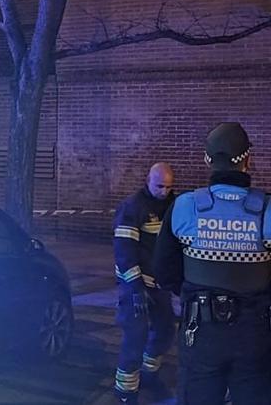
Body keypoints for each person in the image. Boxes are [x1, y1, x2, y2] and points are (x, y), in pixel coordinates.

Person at [153, 123, 271, 405]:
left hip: (200, 333)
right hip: (255, 334)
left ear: (207, 160)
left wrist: (193, 293)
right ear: (248, 159)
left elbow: (163, 270)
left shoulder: (184, 207)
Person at [112, 163, 177, 403]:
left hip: (159, 284)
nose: (164, 191)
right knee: (135, 337)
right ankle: (125, 393)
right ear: (148, 180)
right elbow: (124, 250)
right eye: (159, 186)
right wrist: (135, 287)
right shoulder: (133, 207)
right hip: (135, 285)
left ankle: (149, 375)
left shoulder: (172, 205)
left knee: (165, 330)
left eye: (169, 187)